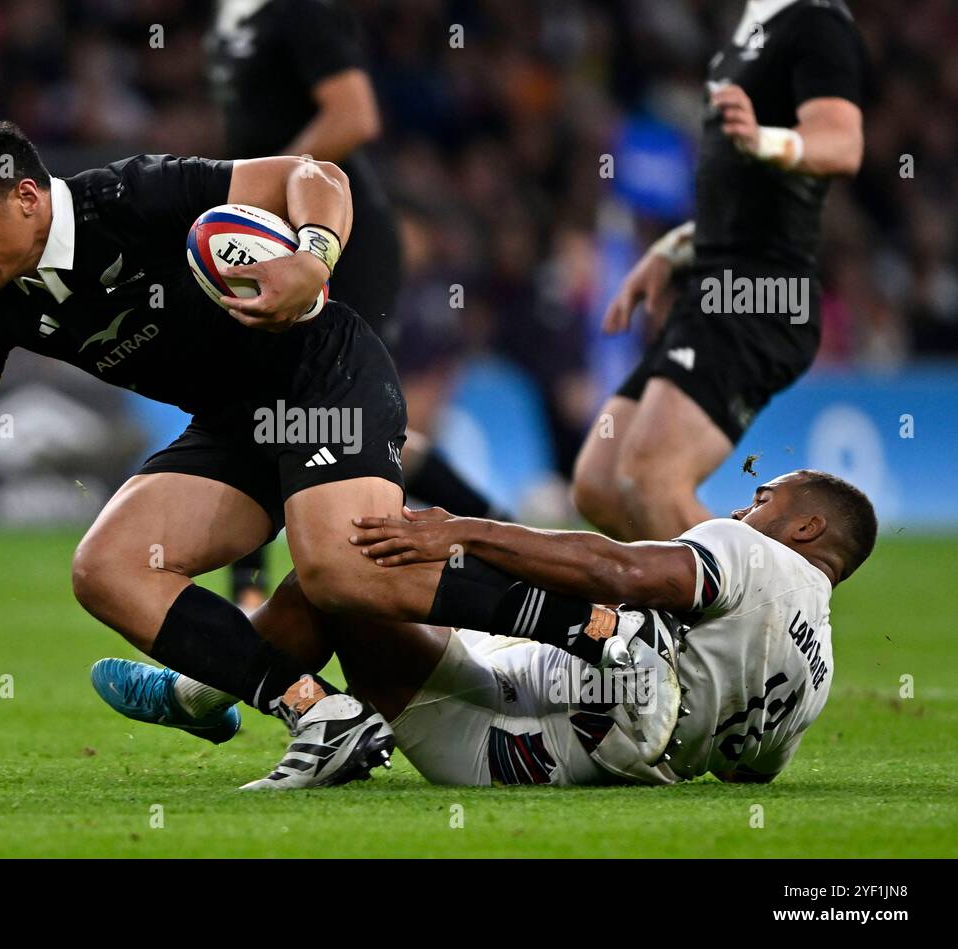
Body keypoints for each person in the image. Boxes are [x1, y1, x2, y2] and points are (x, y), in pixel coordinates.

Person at [0, 118, 412, 790]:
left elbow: (314, 174)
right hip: (234, 426)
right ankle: (322, 712)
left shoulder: (131, 195)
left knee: (337, 571)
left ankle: (528, 617)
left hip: (324, 376)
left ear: (27, 198)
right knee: (108, 566)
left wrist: (314, 256)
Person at [99, 470, 876, 787]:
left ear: (805, 525)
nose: (745, 509)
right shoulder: (823, 668)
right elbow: (750, 773)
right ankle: (211, 697)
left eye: (764, 497)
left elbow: (622, 571)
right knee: (600, 631)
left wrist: (462, 532)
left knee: (333, 583)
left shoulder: (751, 553)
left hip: (555, 711)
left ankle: (199, 693)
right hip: (557, 758)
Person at [207, 0, 504, 610]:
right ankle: (498, 528)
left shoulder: (302, 11)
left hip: (334, 237)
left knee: (292, 404)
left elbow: (354, 116)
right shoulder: (235, 16)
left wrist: (275, 192)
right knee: (289, 406)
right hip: (275, 235)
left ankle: (255, 594)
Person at [572, 0, 868, 540]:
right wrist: (674, 248)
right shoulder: (748, 31)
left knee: (651, 479)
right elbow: (735, 195)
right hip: (711, 286)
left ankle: (770, 617)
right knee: (602, 484)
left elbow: (843, 143)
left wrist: (766, 140)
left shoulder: (816, 23)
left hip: (760, 293)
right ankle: (708, 609)